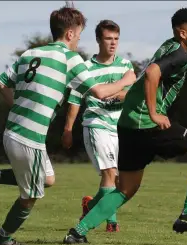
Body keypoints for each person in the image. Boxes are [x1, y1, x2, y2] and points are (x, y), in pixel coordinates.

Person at [62, 7, 187, 244]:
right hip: (146, 123)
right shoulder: (178, 54)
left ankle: (77, 233)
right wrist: (154, 113)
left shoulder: (181, 52)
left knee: (126, 189)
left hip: (128, 124)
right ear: (182, 33)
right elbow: (151, 73)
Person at [0, 5, 135, 245]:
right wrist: (128, 79)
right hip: (29, 137)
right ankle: (3, 239)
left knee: (47, 179)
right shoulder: (70, 59)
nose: (79, 39)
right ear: (70, 33)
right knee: (29, 197)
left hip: (14, 131)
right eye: (79, 34)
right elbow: (100, 92)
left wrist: (18, 106)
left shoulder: (29, 54)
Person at [62, 20, 135, 233]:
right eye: (108, 39)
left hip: (120, 127)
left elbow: (131, 94)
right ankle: (111, 221)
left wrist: (110, 92)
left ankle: (91, 206)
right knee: (110, 174)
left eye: (116, 39)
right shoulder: (85, 68)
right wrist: (67, 130)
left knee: (119, 179)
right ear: (98, 40)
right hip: (96, 123)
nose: (113, 43)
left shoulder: (126, 66)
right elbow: (75, 100)